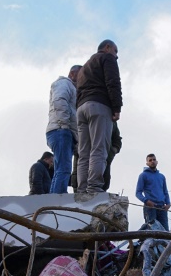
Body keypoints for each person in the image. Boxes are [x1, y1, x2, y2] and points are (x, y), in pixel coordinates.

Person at [75, 39, 122, 197]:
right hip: (99, 105)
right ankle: (94, 188)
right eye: (116, 52)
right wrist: (117, 107)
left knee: (84, 153)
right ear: (108, 48)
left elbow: (78, 90)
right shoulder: (107, 58)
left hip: (81, 109)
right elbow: (113, 82)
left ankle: (81, 190)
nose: (116, 57)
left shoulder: (84, 67)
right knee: (99, 148)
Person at [46, 65, 80, 193]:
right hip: (61, 130)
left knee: (61, 168)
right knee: (64, 169)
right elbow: (59, 101)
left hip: (61, 129)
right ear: (72, 74)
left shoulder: (70, 87)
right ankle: (57, 201)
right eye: (81, 76)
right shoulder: (64, 83)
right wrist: (64, 124)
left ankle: (54, 198)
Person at [135, 153, 171, 230]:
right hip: (150, 207)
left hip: (162, 208)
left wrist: (168, 203)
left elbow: (165, 191)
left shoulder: (161, 176)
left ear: (157, 162)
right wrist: (147, 201)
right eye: (150, 160)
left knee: (165, 231)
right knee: (152, 231)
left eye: (154, 159)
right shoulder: (143, 175)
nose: (152, 161)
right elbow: (138, 193)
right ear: (147, 163)